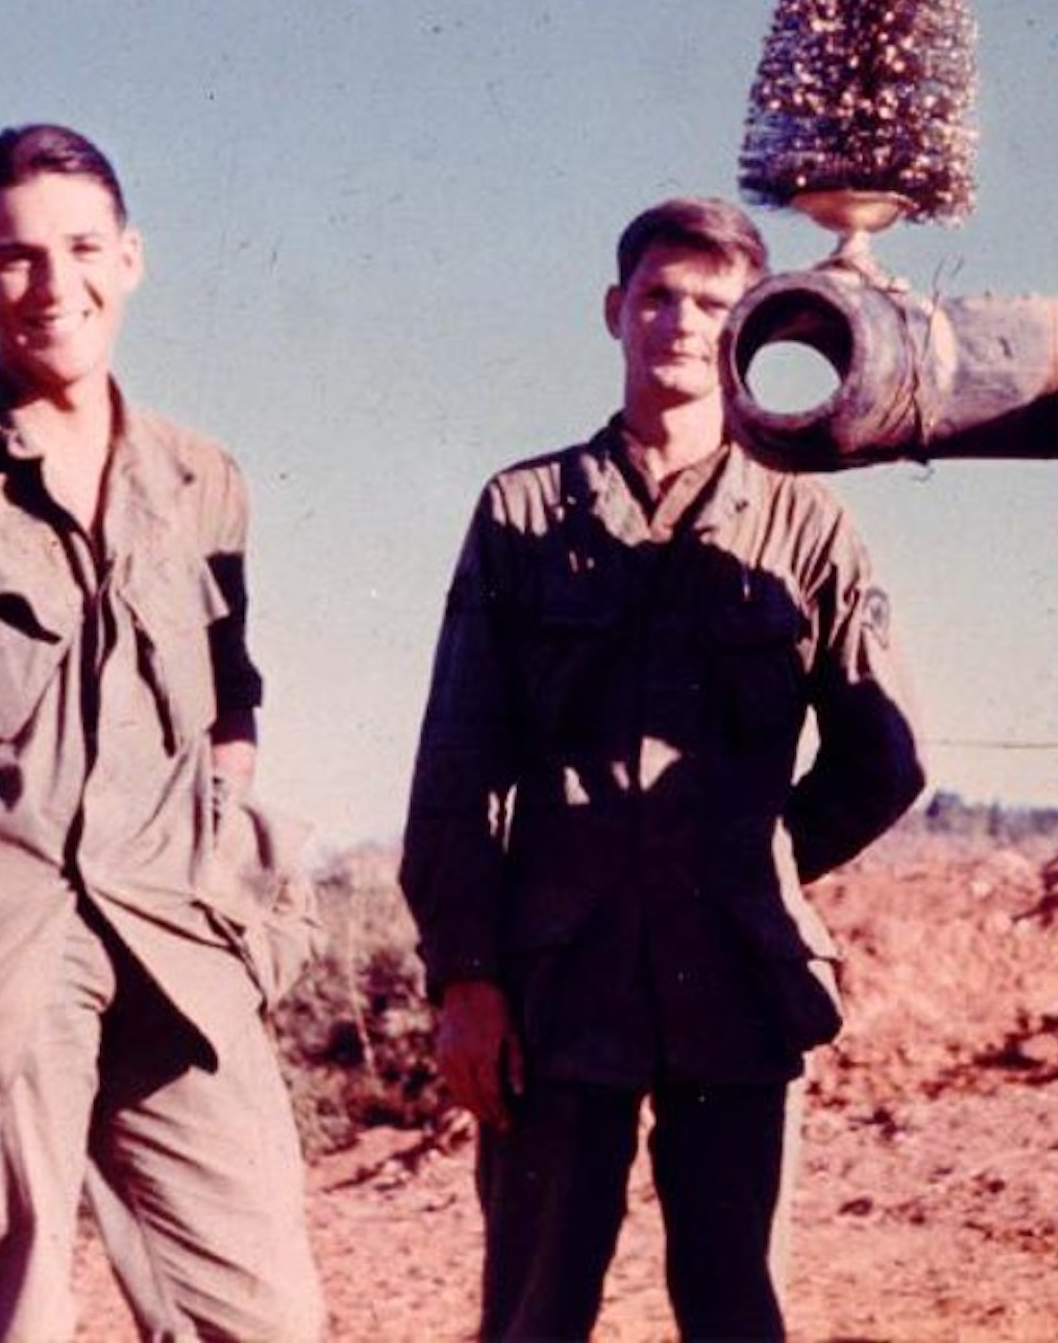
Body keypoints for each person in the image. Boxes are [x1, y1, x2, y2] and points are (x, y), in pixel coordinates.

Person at [401, 196, 924, 1341]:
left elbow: (883, 756)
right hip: (555, 981)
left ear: (748, 332)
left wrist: (760, 858)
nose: (680, 324)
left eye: (711, 304)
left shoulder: (802, 524)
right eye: (657, 297)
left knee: (737, 1307)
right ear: (614, 311)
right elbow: (453, 765)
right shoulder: (524, 510)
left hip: (736, 980)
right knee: (534, 1308)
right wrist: (466, 975)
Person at [0, 125, 324, 1342]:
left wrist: (236, 880)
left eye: (81, 248)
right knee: (12, 1313)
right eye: (15, 257)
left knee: (264, 1308)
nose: (54, 286)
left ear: (133, 258)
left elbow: (230, 700)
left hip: (176, 946)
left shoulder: (200, 476)